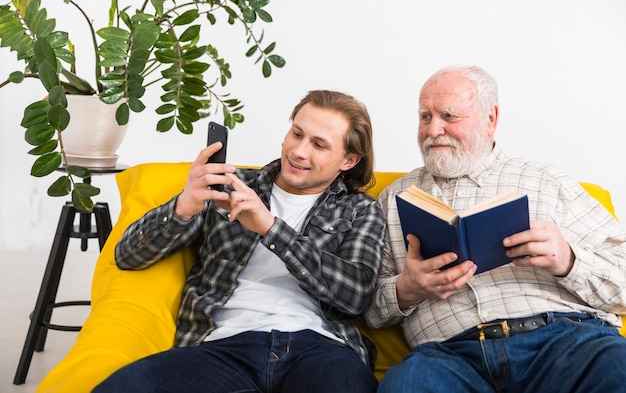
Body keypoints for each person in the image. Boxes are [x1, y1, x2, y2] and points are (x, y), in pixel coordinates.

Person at [93, 90, 385, 393]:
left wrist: (271, 229)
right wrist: (183, 207)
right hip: (223, 345)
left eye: (319, 144)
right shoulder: (230, 185)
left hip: (320, 350)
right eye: (296, 134)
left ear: (349, 160)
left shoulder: (359, 209)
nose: (299, 151)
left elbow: (358, 292)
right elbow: (127, 255)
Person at [363, 65, 626, 393]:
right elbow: (366, 307)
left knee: (618, 367)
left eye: (448, 115)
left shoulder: (546, 181)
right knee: (405, 386)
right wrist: (408, 288)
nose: (433, 130)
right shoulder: (392, 201)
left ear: (491, 118)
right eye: (425, 117)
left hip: (564, 343)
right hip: (450, 358)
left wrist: (568, 260)